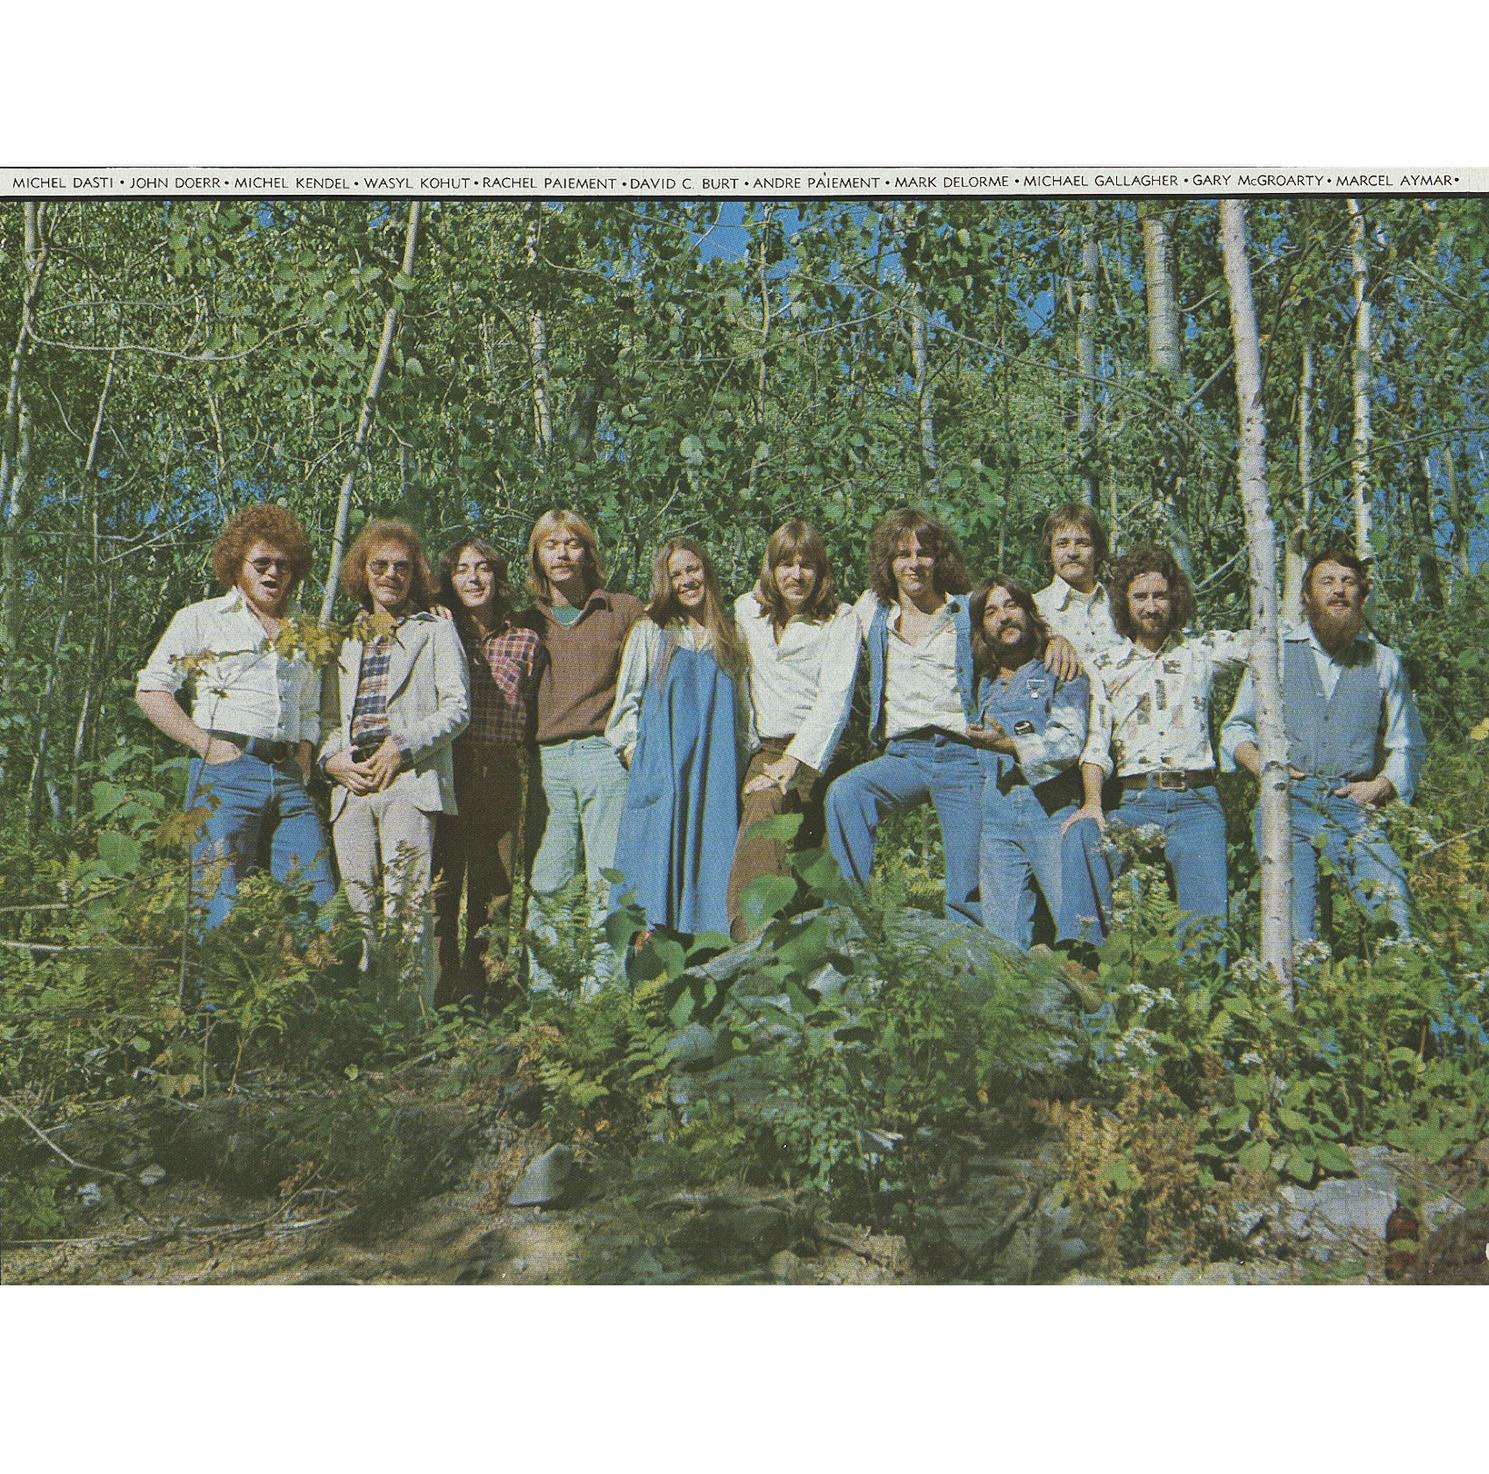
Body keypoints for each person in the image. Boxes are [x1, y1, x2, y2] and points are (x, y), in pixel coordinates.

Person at [136, 504, 338, 932]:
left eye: (283, 565)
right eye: (261, 563)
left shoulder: (304, 632)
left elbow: (308, 709)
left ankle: (305, 976)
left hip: (289, 776)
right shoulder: (202, 618)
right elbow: (152, 690)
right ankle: (212, 979)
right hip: (226, 771)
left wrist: (304, 755)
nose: (273, 573)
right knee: (217, 901)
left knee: (316, 900)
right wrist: (206, 746)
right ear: (237, 565)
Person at [1221, 546, 1424, 941]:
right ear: (1307, 595)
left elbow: (1408, 743)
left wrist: (1381, 786)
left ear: (1362, 595)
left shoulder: (1383, 660)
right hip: (1287, 801)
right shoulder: (1275, 653)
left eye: (1348, 582)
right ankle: (1298, 981)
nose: (1338, 590)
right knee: (1295, 930)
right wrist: (1265, 769)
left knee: (1396, 911)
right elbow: (1237, 728)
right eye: (1327, 581)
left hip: (1354, 804)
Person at [1062, 543, 1249, 951]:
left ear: (1174, 599)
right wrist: (1093, 803)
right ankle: (1084, 958)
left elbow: (1267, 646)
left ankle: (1197, 989)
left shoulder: (1201, 651)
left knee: (1205, 930)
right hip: (1135, 802)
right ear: (1124, 602)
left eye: (1160, 596)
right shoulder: (1104, 665)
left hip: (1198, 803)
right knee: (1084, 841)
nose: (1151, 606)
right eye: (1140, 597)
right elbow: (1096, 743)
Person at [320, 520, 469, 1008]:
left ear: (415, 574)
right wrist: (331, 761)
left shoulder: (435, 630)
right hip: (352, 783)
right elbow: (326, 719)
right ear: (362, 572)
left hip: (409, 778)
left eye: (402, 567)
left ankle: (409, 1024)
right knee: (358, 909)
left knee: (407, 908)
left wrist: (402, 747)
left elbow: (457, 708)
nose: (390, 575)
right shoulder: (343, 638)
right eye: (379, 565)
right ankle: (367, 1023)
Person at [823, 508, 985, 925]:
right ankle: (849, 921)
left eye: (924, 553)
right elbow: (818, 616)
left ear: (940, 559)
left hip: (963, 755)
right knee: (846, 794)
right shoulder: (872, 611)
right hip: (905, 755)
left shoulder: (967, 610)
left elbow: (1021, 624)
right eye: (902, 554)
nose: (914, 563)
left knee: (968, 885)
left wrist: (1056, 639)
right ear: (888, 563)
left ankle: (970, 952)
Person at [606, 538, 755, 939]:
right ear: (665, 583)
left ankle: (709, 964)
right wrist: (642, 763)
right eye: (676, 574)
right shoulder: (651, 633)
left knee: (712, 876)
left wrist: (739, 770)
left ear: (708, 572)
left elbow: (744, 716)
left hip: (715, 777)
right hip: (664, 775)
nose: (687, 580)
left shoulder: (732, 636)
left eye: (693, 569)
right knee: (650, 887)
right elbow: (625, 708)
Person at [726, 520, 860, 940]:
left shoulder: (840, 619)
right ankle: (751, 936)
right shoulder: (747, 611)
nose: (796, 575)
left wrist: (794, 761)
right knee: (763, 809)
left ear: (821, 572)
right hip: (764, 751)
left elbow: (834, 697)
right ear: (771, 568)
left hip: (818, 752)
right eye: (786, 564)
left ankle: (827, 948)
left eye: (807, 565)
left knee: (815, 856)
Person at [430, 534, 544, 1008]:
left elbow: (533, 710)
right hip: (449, 765)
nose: (473, 578)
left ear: (497, 577)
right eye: (461, 569)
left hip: (500, 768)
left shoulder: (526, 640)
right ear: (448, 580)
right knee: (442, 882)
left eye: (483, 567)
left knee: (495, 887)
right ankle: (441, 993)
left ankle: (487, 991)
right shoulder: (437, 630)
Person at [522, 510, 644, 908]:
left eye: (573, 544)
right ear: (537, 556)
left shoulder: (621, 610)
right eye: (551, 545)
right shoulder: (525, 622)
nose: (562, 554)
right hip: (548, 761)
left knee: (608, 878)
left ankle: (605, 954)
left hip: (604, 755)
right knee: (548, 878)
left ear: (588, 554)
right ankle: (547, 954)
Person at [966, 577, 1095, 952]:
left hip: (1052, 811)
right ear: (982, 628)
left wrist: (1008, 745)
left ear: (1029, 611)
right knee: (1002, 942)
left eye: (1012, 605)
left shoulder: (1061, 669)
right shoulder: (982, 683)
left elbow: (1069, 743)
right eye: (991, 612)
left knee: (1080, 931)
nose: (1004, 617)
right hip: (996, 816)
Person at [1033, 503, 1122, 663]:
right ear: (1050, 552)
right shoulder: (1036, 609)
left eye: (1083, 543)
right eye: (1062, 544)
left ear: (1097, 552)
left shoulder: (1119, 603)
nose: (1073, 553)